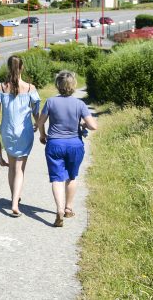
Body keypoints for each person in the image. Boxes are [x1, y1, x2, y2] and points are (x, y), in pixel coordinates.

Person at [38, 70, 98, 227]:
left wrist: (42, 135)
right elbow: (93, 126)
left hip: (55, 144)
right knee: (71, 177)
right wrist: (83, 124)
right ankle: (68, 208)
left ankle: (58, 210)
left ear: (58, 85)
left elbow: (40, 121)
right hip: (74, 145)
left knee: (57, 179)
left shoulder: (50, 102)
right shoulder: (80, 104)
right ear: (74, 85)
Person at [0, 54, 41, 217]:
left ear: (8, 67)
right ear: (22, 68)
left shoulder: (0, 88)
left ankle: (14, 198)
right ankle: (15, 203)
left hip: (8, 131)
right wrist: (38, 125)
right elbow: (36, 111)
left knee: (12, 167)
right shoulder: (31, 88)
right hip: (24, 133)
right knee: (20, 169)